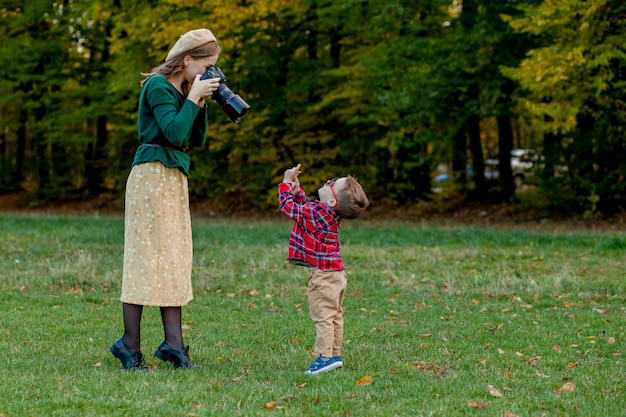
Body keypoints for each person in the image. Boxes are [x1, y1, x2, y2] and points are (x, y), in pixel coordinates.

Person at [110, 28, 223, 370]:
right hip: (151, 175)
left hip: (173, 177)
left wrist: (200, 99)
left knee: (174, 257)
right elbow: (172, 132)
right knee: (146, 257)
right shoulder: (157, 86)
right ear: (187, 60)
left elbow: (196, 138)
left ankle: (173, 344)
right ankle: (129, 345)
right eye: (206, 66)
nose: (209, 73)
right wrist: (192, 99)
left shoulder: (187, 89)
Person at [278, 164, 370, 375]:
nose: (328, 182)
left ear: (332, 201)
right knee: (335, 315)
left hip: (324, 277)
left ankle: (325, 358)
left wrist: (285, 184)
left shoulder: (318, 215)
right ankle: (334, 354)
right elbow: (306, 206)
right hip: (337, 275)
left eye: (332, 184)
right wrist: (296, 189)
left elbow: (289, 208)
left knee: (322, 316)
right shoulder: (325, 213)